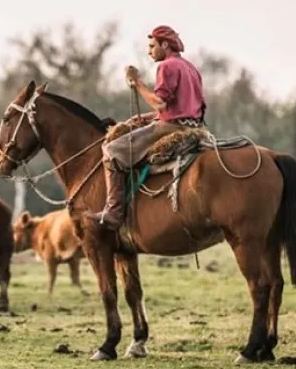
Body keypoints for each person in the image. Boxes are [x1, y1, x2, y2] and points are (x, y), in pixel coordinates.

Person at [84, 25, 206, 231]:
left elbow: (160, 104)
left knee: (112, 151)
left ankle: (113, 212)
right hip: (194, 126)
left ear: (165, 45)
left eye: (152, 46)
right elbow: (181, 107)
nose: (149, 51)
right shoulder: (189, 67)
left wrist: (137, 82)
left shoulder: (167, 66)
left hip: (171, 129)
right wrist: (144, 118)